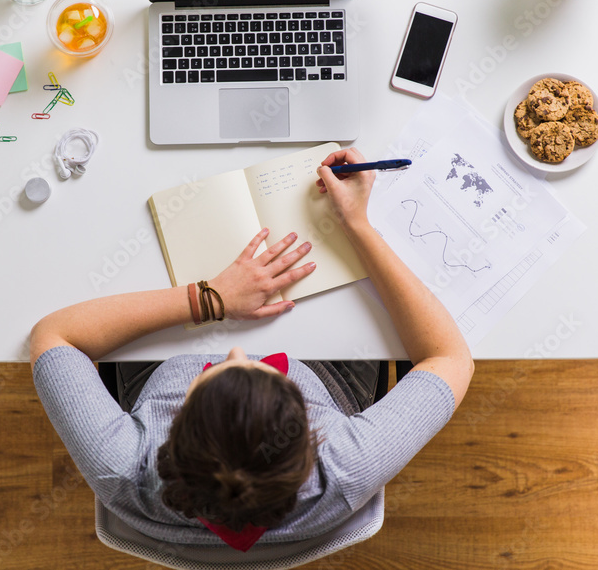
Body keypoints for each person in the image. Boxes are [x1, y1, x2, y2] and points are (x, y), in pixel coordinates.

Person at [30, 148, 473, 552]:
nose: (239, 352)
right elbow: (450, 358)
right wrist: (357, 223)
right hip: (332, 380)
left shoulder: (125, 467)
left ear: (175, 428)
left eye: (213, 373)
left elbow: (54, 335)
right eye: (268, 373)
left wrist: (210, 298)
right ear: (309, 437)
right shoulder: (345, 468)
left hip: (164, 358)